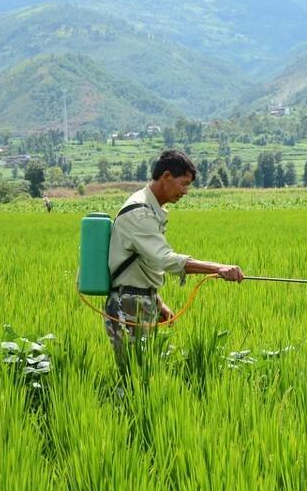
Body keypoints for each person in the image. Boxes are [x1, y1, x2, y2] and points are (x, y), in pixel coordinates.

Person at [104, 149, 243, 375]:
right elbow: (165, 259)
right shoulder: (139, 212)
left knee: (147, 373)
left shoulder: (151, 209)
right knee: (134, 377)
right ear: (166, 177)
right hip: (127, 305)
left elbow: (142, 265)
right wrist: (218, 268)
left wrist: (157, 303)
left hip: (141, 301)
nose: (186, 191)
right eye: (184, 183)